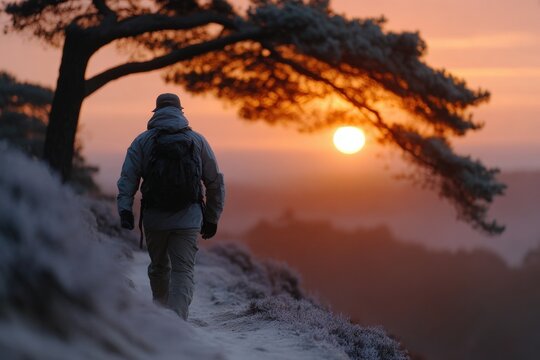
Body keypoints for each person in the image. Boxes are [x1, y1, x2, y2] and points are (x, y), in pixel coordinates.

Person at [117, 93, 225, 320]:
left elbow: (128, 178)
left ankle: (160, 319)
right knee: (183, 270)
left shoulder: (142, 141)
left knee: (158, 268)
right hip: (188, 217)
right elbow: (214, 181)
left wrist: (125, 210)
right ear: (180, 111)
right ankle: (176, 322)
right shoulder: (197, 140)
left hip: (155, 218)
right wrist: (212, 218)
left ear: (156, 112)